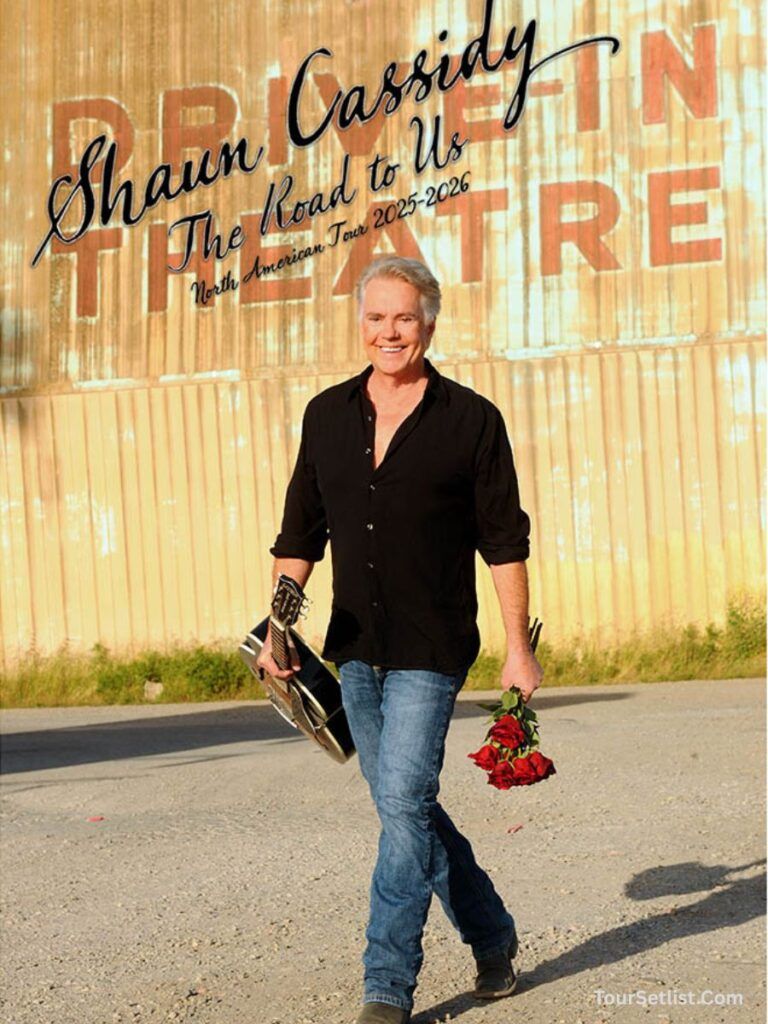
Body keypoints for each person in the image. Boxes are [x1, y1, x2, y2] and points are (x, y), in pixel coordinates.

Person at [257, 255, 543, 1024]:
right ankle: (493, 937)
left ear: (429, 325)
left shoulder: (471, 420)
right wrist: (278, 630)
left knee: (405, 801)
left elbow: (504, 542)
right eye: (377, 317)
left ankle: (386, 986)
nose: (390, 332)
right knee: (405, 809)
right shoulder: (326, 416)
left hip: (432, 647)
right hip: (355, 647)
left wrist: (519, 649)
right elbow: (299, 536)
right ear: (361, 322)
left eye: (405, 318)